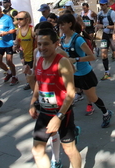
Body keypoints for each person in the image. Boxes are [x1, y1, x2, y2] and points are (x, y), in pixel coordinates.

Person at [29, 28, 82, 168]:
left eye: (46, 44)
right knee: (37, 151)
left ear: (56, 43)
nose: (41, 47)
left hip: (62, 113)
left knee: (69, 150)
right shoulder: (39, 59)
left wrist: (59, 116)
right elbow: (38, 83)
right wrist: (33, 102)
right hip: (44, 112)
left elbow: (71, 92)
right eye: (39, 44)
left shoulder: (62, 62)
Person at [59, 14, 113, 125]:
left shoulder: (78, 39)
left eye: (62, 24)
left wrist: (76, 59)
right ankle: (67, 124)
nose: (61, 27)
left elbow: (92, 56)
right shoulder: (63, 39)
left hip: (84, 74)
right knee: (67, 97)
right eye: (59, 25)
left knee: (92, 98)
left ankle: (106, 113)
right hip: (71, 74)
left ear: (70, 24)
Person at [0, 5, 19, 85]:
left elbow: (13, 30)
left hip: (8, 43)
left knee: (9, 62)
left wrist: (5, 33)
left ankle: (14, 77)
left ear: (0, 12)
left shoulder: (7, 18)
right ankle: (9, 72)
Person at [96, 0, 115, 81]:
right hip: (105, 35)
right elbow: (99, 23)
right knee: (103, 53)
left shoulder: (112, 13)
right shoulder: (100, 14)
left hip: (112, 35)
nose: (102, 6)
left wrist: (105, 27)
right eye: (100, 5)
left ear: (107, 5)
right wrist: (97, 27)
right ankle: (106, 72)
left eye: (103, 4)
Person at [13, 11, 35, 91]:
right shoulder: (18, 31)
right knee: (27, 73)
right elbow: (17, 42)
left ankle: (36, 92)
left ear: (27, 19)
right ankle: (30, 84)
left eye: (20, 19)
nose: (18, 21)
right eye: (17, 19)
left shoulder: (32, 30)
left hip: (34, 57)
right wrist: (15, 46)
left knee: (34, 75)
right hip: (24, 56)